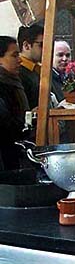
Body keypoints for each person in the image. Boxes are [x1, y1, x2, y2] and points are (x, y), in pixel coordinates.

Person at [0, 36, 29, 170]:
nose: (20, 60)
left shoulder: (13, 82)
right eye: (14, 55)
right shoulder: (3, 86)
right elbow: (7, 124)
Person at [17, 25, 62, 108]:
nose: (47, 49)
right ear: (26, 46)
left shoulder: (41, 69)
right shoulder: (19, 73)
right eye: (42, 45)